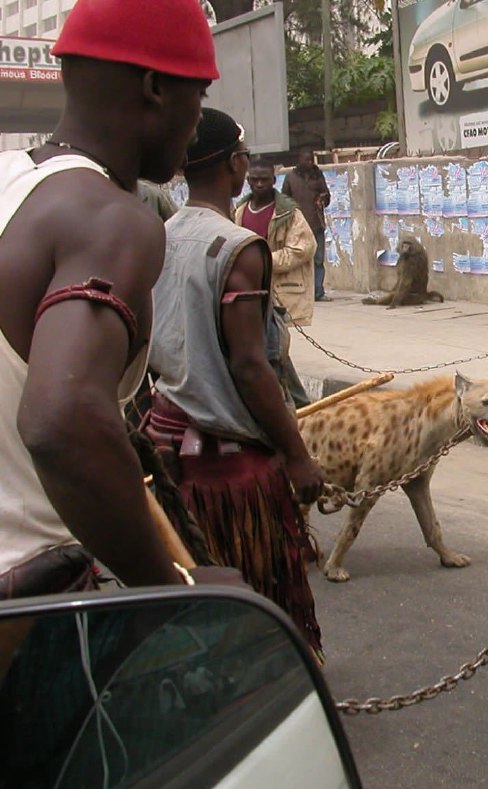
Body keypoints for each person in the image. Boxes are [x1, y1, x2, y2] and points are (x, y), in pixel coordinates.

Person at [0, 0, 243, 599]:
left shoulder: (11, 180)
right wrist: (164, 589)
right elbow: (62, 421)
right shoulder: (113, 221)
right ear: (158, 87)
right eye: (200, 94)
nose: (198, 119)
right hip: (31, 602)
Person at [144, 108, 326, 656]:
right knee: (261, 594)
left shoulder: (160, 235)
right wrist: (296, 455)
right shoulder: (237, 248)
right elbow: (250, 365)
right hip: (230, 469)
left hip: (168, 446)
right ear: (237, 164)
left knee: (196, 598)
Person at [235, 156, 315, 408]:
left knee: (274, 350)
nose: (259, 185)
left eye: (264, 180)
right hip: (248, 292)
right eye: (254, 180)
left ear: (273, 180)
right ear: (248, 180)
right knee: (263, 351)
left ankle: (301, 406)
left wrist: (263, 261)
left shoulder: (289, 214)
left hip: (279, 292)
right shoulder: (239, 211)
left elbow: (304, 248)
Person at [282, 147, 332, 301]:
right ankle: (302, 291)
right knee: (300, 260)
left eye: (311, 160)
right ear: (299, 160)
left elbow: (327, 196)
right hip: (297, 226)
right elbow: (284, 200)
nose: (309, 163)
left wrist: (322, 199)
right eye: (306, 160)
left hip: (316, 223)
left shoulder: (318, 175)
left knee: (318, 259)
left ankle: (318, 292)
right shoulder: (291, 178)